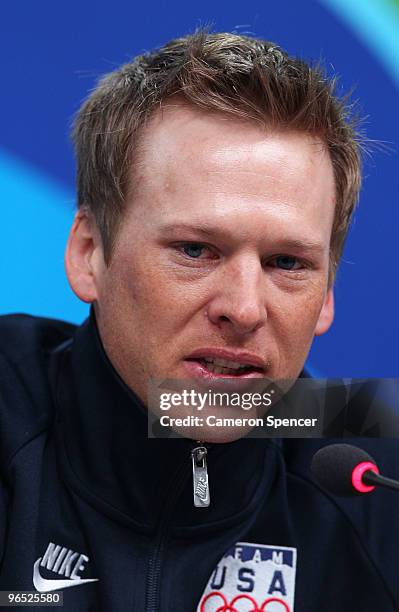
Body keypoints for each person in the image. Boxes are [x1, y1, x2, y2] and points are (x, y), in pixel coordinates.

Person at [0, 30, 398, 611]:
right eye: (195, 250)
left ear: (329, 293)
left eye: (287, 263)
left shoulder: (375, 471)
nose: (243, 309)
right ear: (89, 252)